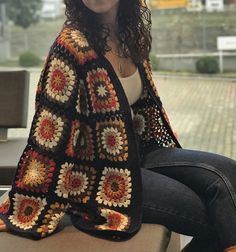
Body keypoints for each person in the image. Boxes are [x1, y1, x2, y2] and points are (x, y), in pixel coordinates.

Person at [0, 0, 236, 251]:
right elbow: (49, 133)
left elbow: (140, 108)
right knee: (214, 213)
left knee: (229, 172)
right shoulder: (70, 46)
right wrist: (30, 199)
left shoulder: (130, 37)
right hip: (97, 175)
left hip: (139, 151)